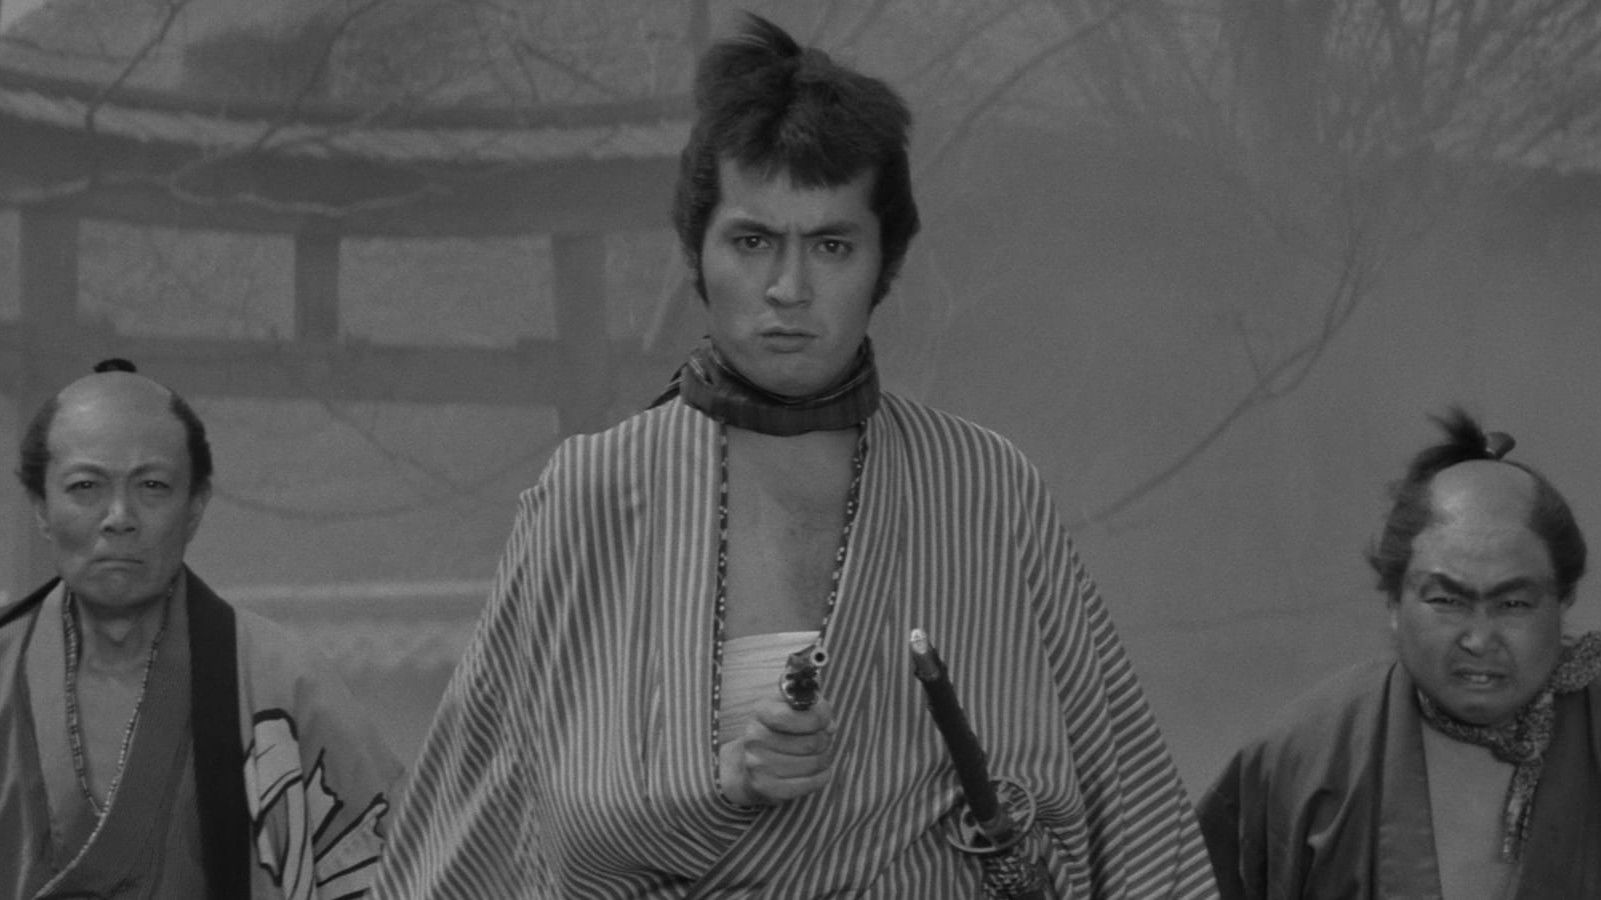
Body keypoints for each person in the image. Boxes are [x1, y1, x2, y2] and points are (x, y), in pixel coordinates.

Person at [376, 14, 1216, 898]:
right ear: (696, 250)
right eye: (752, 241)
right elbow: (488, 833)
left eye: (831, 245)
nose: (789, 288)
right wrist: (718, 788)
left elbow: (1134, 827)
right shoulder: (591, 496)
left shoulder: (983, 488)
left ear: (884, 262)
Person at [1, 358, 403, 899]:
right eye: (85, 486)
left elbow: (397, 865)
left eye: (152, 485)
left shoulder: (285, 684)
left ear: (195, 507)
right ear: (39, 506)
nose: (119, 516)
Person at [1198, 408, 1601, 899]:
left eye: (1514, 603)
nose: (1478, 639)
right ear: (1394, 601)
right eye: (1446, 600)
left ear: (1563, 601)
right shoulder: (1305, 756)